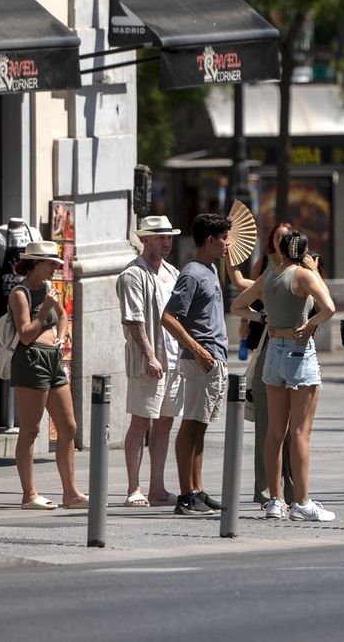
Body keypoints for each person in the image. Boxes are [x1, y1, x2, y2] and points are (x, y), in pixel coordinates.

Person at [232, 230, 336, 521]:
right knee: (300, 432)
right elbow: (328, 306)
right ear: (303, 252)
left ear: (279, 249)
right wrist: (311, 323)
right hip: (298, 351)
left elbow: (237, 305)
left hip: (272, 350)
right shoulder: (303, 275)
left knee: (274, 432)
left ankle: (276, 501)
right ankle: (302, 502)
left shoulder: (270, 275)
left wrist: (262, 318)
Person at [161, 213, 231, 516]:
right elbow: (168, 317)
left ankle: (198, 490)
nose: (228, 243)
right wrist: (198, 350)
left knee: (200, 427)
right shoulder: (191, 273)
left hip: (214, 359)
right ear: (211, 240)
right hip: (200, 360)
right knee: (190, 425)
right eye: (224, 238)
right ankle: (186, 495)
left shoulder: (211, 269)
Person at [9, 241, 87, 511]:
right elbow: (26, 335)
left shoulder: (48, 290)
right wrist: (43, 311)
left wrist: (62, 337)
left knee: (69, 427)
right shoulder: (21, 294)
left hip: (52, 360)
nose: (55, 267)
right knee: (31, 430)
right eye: (50, 263)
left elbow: (63, 315)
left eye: (56, 263)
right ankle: (29, 494)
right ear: (35, 263)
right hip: (31, 361)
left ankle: (71, 493)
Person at [116, 215, 183, 507]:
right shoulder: (133, 274)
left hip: (174, 358)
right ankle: (134, 487)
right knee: (141, 421)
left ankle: (158, 486)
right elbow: (134, 320)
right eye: (160, 237)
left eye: (169, 237)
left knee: (166, 422)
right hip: (149, 359)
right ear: (145, 239)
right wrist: (149, 355)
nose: (167, 242)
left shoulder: (173, 272)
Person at [227, 221, 295, 504]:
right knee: (268, 426)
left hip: (297, 353)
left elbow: (326, 305)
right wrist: (255, 319)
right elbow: (242, 289)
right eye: (280, 238)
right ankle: (267, 490)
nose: (284, 243)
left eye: (289, 238)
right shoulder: (267, 271)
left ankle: (294, 491)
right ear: (273, 242)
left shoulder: (307, 271)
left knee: (294, 430)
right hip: (270, 347)